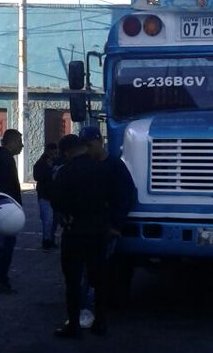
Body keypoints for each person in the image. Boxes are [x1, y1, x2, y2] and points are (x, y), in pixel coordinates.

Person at [51, 134, 112, 339]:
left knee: (74, 281)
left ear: (67, 152)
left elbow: (57, 202)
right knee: (100, 279)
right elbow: (113, 197)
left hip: (75, 231)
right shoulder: (102, 169)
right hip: (99, 231)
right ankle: (101, 322)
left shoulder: (65, 172)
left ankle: (74, 325)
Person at [79, 126, 137, 311]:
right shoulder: (87, 165)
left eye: (89, 145)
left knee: (101, 269)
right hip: (88, 228)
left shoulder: (115, 166)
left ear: (99, 142)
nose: (87, 150)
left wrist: (115, 225)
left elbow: (127, 196)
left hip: (106, 229)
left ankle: (96, 306)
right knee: (87, 270)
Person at [0, 129, 23, 294]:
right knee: (6, 245)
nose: (21, 146)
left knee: (4, 245)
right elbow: (9, 187)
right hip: (5, 209)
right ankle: (0, 278)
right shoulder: (6, 160)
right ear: (12, 142)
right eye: (19, 142)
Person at [33, 142, 59, 251]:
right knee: (47, 219)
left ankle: (50, 239)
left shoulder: (57, 161)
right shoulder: (41, 163)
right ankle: (46, 240)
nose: (54, 154)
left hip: (55, 196)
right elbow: (37, 176)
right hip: (45, 195)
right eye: (52, 152)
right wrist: (48, 170)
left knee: (54, 220)